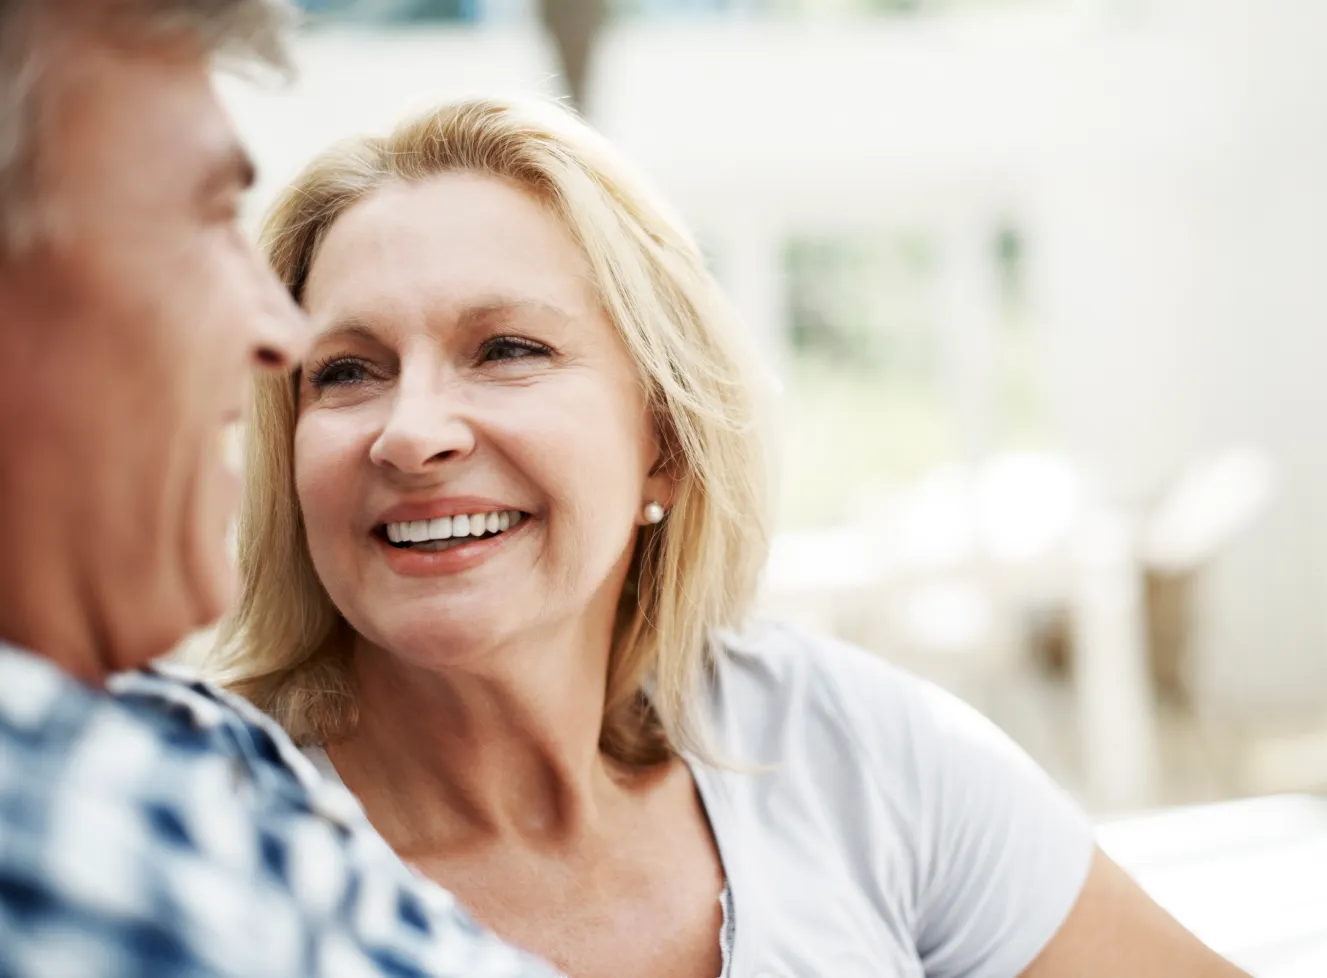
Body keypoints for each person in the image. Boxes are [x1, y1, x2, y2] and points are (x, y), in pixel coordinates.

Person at [210, 95, 1251, 978]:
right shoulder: (197, 844)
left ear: (661, 445)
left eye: (507, 349)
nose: (411, 432)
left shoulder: (847, 750)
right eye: (345, 370)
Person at [0, 3, 556, 976]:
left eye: (506, 350)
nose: (277, 336)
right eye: (205, 220)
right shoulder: (64, 818)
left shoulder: (199, 741)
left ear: (666, 446)